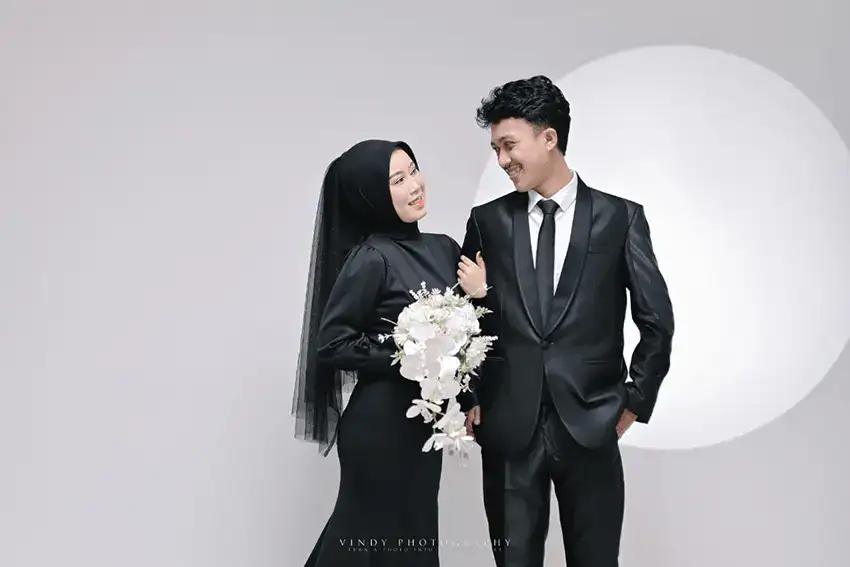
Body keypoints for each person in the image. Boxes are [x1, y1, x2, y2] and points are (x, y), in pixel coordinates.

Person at [459, 75, 675, 566]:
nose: (502, 160)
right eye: (495, 149)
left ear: (549, 138)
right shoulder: (487, 221)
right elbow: (464, 318)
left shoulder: (620, 218)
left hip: (592, 423)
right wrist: (470, 395)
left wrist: (635, 400)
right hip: (509, 429)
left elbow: (656, 321)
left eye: (509, 145)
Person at [292, 138, 487, 566]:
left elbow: (460, 335)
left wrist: (469, 393)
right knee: (364, 539)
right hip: (379, 426)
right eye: (398, 180)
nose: (415, 185)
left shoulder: (444, 248)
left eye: (413, 170)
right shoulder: (371, 257)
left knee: (412, 538)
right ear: (373, 197)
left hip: (424, 426)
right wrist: (409, 356)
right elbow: (333, 343)